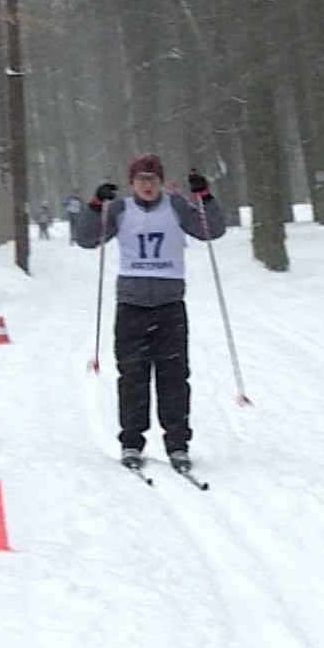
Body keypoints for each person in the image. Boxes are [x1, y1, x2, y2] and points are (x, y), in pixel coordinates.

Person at [74, 153, 225, 472]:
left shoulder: (176, 206)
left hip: (169, 306)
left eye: (152, 179)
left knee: (174, 377)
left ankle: (177, 444)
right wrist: (94, 205)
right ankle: (131, 441)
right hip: (132, 306)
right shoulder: (120, 209)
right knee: (132, 377)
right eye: (141, 180)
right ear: (132, 183)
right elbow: (87, 239)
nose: (147, 185)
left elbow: (211, 230)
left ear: (159, 182)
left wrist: (204, 196)